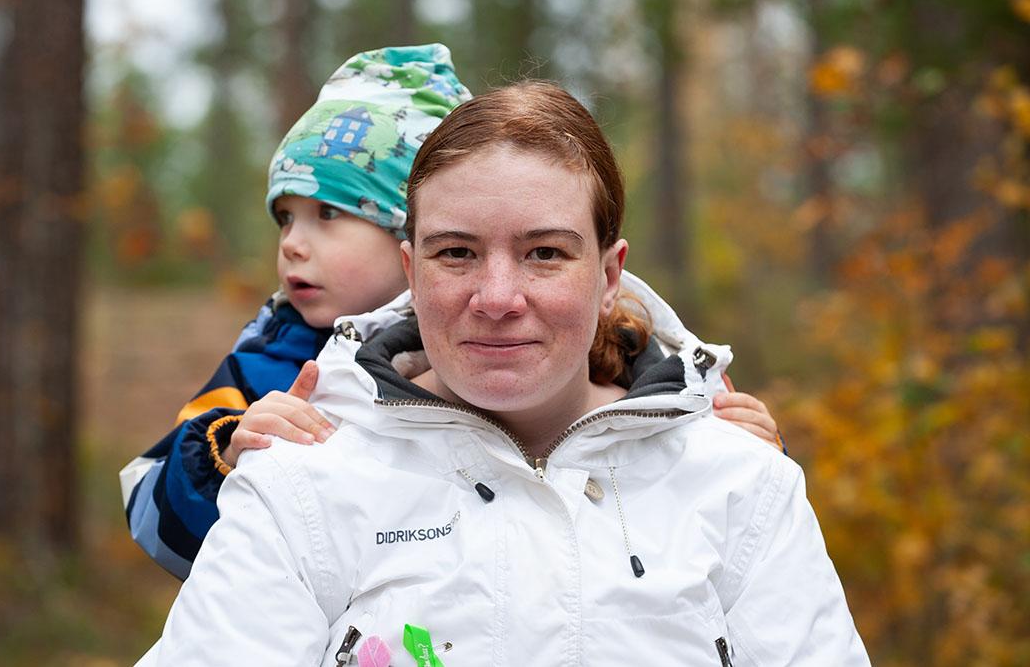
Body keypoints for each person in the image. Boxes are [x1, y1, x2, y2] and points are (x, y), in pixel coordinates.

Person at [137, 82, 868, 665]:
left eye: (545, 253)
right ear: (410, 272)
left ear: (610, 275)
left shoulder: (743, 486)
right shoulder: (302, 484)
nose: (496, 299)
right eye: (456, 253)